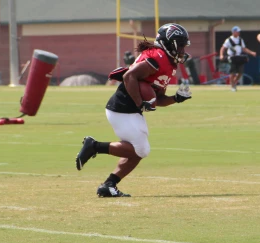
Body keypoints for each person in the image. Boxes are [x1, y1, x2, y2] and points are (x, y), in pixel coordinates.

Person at [75, 23, 192, 197]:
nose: (182, 49)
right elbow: (128, 76)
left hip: (129, 110)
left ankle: (109, 185)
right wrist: (139, 102)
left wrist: (176, 99)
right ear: (169, 43)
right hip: (122, 108)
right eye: (180, 44)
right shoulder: (158, 56)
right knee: (141, 150)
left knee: (138, 151)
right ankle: (94, 146)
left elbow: (155, 99)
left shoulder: (168, 62)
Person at [220, 26, 256, 91]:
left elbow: (244, 48)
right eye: (237, 31)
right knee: (232, 72)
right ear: (234, 32)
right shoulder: (228, 40)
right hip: (231, 57)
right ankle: (232, 86)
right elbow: (223, 48)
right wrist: (221, 55)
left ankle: (234, 81)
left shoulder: (240, 40)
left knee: (240, 72)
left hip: (239, 57)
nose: (239, 33)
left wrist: (251, 52)